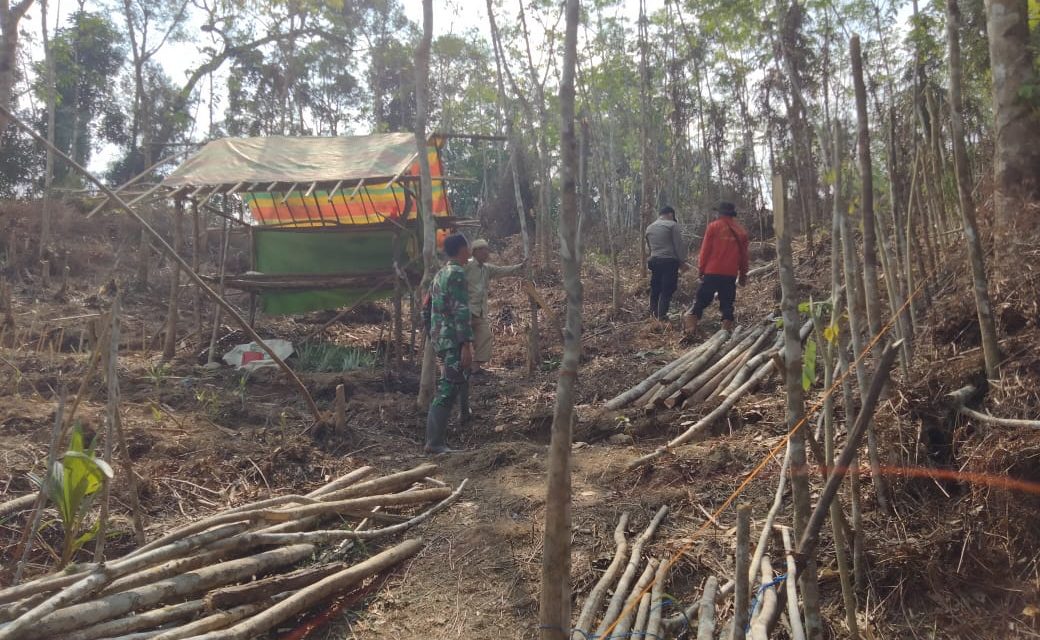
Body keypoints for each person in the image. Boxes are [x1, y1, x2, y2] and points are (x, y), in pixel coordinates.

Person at [424, 233, 474, 454]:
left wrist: (434, 335)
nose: (469, 250)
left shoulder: (440, 274)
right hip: (453, 338)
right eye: (468, 247)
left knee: (455, 382)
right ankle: (434, 443)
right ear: (462, 249)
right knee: (447, 388)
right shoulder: (456, 273)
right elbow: (461, 311)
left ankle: (439, 438)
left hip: (442, 337)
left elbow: (426, 308)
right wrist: (466, 344)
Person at [683, 202, 749, 335]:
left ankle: (690, 328)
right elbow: (744, 256)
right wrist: (743, 274)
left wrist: (701, 269)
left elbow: (705, 250)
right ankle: (725, 330)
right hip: (730, 273)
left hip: (712, 271)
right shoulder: (741, 231)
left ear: (719, 213)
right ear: (732, 214)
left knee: (702, 299)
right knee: (727, 301)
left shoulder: (713, 227)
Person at [464, 239, 524, 376]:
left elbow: (503, 271)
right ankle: (459, 369)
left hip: (479, 311)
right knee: (463, 341)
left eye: (487, 249)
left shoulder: (486, 268)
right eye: (483, 250)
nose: (487, 252)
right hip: (465, 311)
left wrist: (521, 267)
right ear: (476, 252)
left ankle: (475, 368)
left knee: (485, 337)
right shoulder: (466, 266)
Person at [644, 205, 688, 321]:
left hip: (654, 261)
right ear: (670, 214)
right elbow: (678, 245)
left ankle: (653, 315)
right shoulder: (672, 225)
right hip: (669, 262)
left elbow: (648, 248)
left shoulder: (649, 228)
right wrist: (683, 262)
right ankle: (662, 316)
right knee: (667, 289)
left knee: (655, 288)